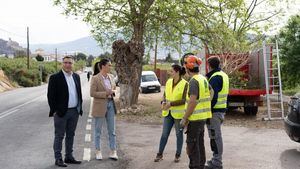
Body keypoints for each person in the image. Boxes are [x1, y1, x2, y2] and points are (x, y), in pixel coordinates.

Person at [47, 55, 83, 167]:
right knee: (59, 136)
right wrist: (55, 110)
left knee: (71, 135)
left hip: (74, 112)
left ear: (73, 64)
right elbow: (50, 96)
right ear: (62, 64)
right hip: (61, 113)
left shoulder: (76, 77)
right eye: (66, 62)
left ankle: (69, 157)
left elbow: (79, 93)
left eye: (70, 63)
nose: (68, 65)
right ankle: (58, 159)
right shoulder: (55, 77)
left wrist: (79, 108)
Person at [180, 53, 212, 169]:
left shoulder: (193, 81)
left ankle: (195, 166)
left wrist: (185, 118)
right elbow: (211, 92)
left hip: (194, 119)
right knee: (199, 144)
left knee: (192, 145)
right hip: (202, 118)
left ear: (188, 68)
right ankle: (200, 166)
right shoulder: (203, 79)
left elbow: (192, 101)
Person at [154, 64, 188, 163]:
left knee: (179, 134)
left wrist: (171, 104)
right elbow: (165, 95)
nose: (170, 73)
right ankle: (159, 154)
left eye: (172, 71)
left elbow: (185, 99)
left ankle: (178, 155)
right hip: (167, 113)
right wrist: (163, 102)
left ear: (177, 72)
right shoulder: (168, 82)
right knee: (164, 134)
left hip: (178, 115)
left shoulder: (185, 84)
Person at [90, 59, 118, 160]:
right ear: (102, 66)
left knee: (112, 130)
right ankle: (98, 151)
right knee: (98, 131)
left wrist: (113, 91)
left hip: (111, 104)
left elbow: (114, 88)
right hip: (99, 106)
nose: (111, 67)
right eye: (109, 65)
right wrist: (105, 93)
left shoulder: (111, 77)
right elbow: (92, 93)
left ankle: (113, 151)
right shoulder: (95, 78)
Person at [205, 56, 229, 169]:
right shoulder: (223, 75)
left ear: (209, 65)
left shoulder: (215, 77)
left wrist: (207, 111)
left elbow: (212, 97)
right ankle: (215, 159)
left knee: (216, 137)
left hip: (214, 112)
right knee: (215, 137)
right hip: (220, 110)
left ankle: (217, 163)